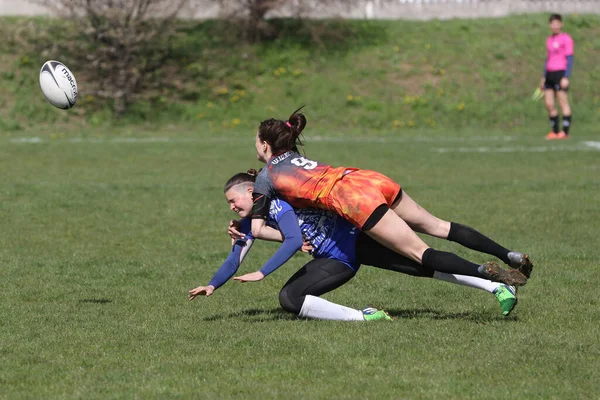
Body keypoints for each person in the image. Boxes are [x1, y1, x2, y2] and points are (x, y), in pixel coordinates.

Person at [236, 108, 532, 291]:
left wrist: (244, 225)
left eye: (256, 141)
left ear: (264, 144)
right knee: (440, 226)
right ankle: (511, 256)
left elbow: (260, 226)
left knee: (420, 253)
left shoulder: (265, 176)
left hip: (353, 198)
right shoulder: (298, 159)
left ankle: (487, 273)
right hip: (365, 178)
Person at [188, 171, 520, 321]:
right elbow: (236, 254)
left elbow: (291, 239)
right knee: (289, 299)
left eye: (234, 200)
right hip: (335, 258)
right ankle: (364, 317)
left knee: (422, 265)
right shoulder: (251, 221)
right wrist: (213, 284)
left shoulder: (276, 202)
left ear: (250, 192)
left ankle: (495, 285)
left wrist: (262, 271)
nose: (231, 207)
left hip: (357, 237)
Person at [541, 13, 574, 140]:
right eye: (552, 24)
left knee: (562, 102)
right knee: (549, 103)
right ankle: (555, 132)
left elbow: (570, 58)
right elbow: (548, 58)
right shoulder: (549, 40)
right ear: (550, 25)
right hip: (549, 74)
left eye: (557, 23)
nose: (555, 26)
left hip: (560, 73)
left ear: (561, 24)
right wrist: (544, 76)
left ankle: (564, 132)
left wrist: (566, 76)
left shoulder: (566, 38)